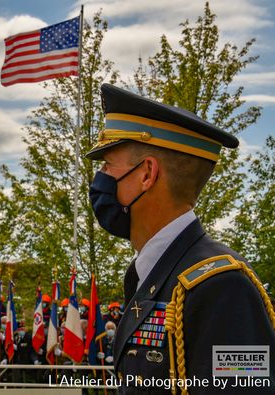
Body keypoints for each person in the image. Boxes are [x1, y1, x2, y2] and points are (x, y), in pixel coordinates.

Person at [86, 84, 275, 394]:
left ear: (146, 173)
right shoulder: (149, 274)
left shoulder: (223, 286)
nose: (101, 179)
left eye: (108, 165)